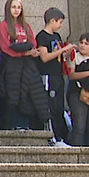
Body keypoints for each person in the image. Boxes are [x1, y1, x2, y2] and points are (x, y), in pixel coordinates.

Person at [0, 0, 50, 131]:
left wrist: (30, 52)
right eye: (14, 7)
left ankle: (25, 124)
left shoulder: (26, 26)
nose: (16, 10)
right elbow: (5, 47)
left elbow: (33, 43)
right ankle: (12, 124)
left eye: (19, 7)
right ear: (8, 8)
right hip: (11, 65)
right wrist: (23, 53)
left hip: (27, 65)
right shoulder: (4, 25)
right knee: (13, 95)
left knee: (27, 94)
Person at [35, 8, 74, 144]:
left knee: (58, 106)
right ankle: (51, 135)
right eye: (60, 22)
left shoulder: (57, 36)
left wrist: (66, 53)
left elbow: (59, 55)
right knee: (50, 105)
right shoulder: (42, 36)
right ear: (52, 21)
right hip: (48, 75)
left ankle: (60, 136)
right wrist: (62, 50)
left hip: (58, 75)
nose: (61, 25)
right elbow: (44, 57)